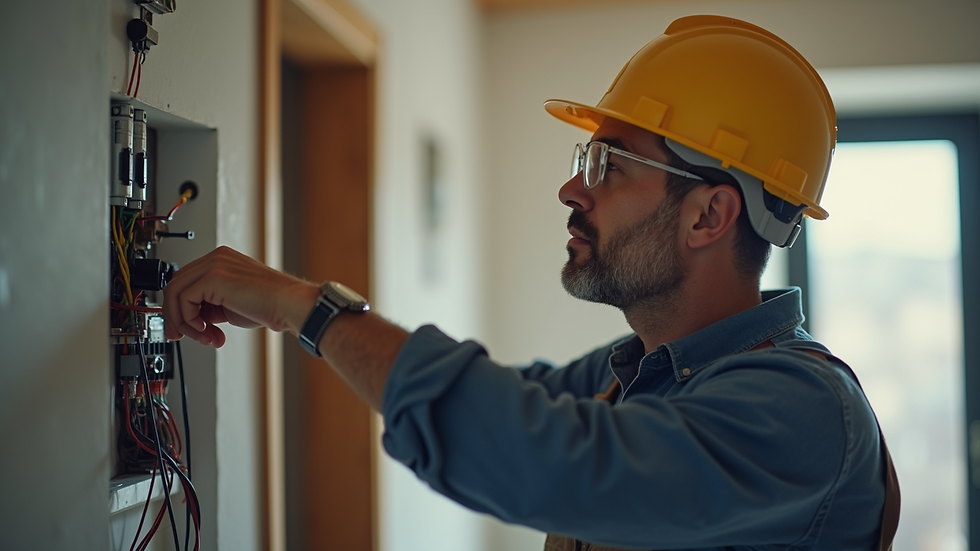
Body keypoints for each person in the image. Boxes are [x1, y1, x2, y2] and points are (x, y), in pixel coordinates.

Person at [162, 15, 899, 551]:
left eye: (608, 165)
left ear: (709, 214)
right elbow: (509, 407)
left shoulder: (801, 411)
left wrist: (309, 307)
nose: (571, 190)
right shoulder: (641, 370)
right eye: (585, 158)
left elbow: (541, 455)